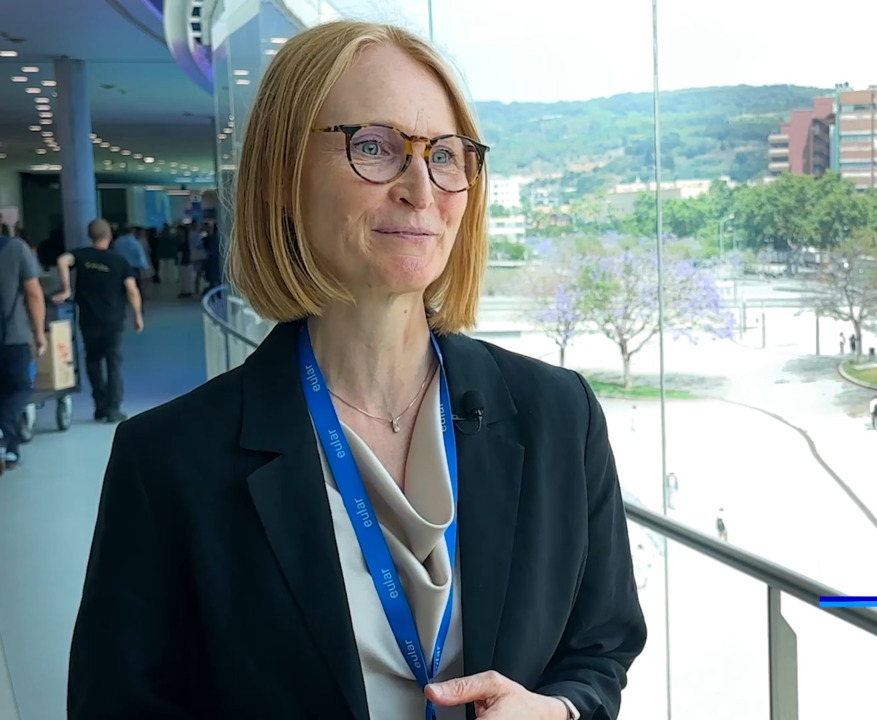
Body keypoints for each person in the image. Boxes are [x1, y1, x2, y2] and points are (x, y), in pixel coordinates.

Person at [68, 21, 645, 720]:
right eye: (374, 146)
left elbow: (602, 646)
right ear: (282, 179)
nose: (421, 189)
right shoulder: (169, 460)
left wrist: (561, 711)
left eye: (445, 155)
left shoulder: (560, 413)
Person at [51, 220, 144, 423]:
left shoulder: (82, 256)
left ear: (90, 235)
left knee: (93, 361)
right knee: (113, 362)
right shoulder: (119, 261)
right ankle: (113, 408)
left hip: (88, 319)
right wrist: (138, 315)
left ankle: (100, 405)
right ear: (109, 236)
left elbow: (62, 261)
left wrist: (66, 289)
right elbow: (132, 290)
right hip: (113, 320)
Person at [0, 230, 46, 469]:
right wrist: (39, 332)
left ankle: (11, 449)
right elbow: (33, 293)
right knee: (20, 388)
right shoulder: (16, 248)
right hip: (13, 337)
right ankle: (4, 434)